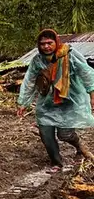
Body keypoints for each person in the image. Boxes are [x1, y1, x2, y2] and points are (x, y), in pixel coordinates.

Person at [17, 29, 94, 173]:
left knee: (64, 135)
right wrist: (23, 102)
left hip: (69, 100)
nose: (46, 46)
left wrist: (91, 92)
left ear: (56, 42)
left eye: (49, 43)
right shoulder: (37, 60)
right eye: (42, 44)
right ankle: (56, 162)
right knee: (45, 131)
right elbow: (30, 81)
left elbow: (86, 72)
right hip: (47, 102)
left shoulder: (69, 54)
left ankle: (79, 146)